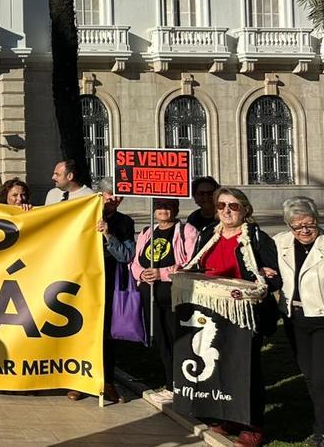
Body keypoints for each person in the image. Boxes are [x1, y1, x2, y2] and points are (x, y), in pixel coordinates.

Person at [185, 187, 281, 447]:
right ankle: (224, 416)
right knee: (216, 367)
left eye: (233, 206)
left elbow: (273, 281)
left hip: (244, 315)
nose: (226, 210)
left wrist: (258, 276)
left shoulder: (257, 238)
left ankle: (252, 425)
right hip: (211, 312)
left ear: (245, 209)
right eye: (221, 205)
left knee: (245, 370)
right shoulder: (207, 234)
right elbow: (195, 266)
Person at [68, 192, 134, 404]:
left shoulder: (125, 222)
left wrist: (108, 235)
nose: (112, 200)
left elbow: (126, 255)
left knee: (108, 334)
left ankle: (107, 382)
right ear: (99, 196)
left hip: (110, 283)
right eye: (108, 196)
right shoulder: (82, 215)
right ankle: (78, 381)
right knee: (81, 329)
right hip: (83, 283)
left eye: (117, 197)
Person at [130, 197, 199, 400]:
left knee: (177, 339)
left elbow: (190, 262)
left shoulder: (187, 231)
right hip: (150, 297)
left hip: (174, 297)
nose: (163, 210)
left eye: (168, 206)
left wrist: (161, 274)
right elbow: (135, 262)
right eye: (159, 206)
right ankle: (171, 384)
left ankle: (183, 385)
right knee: (161, 340)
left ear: (176, 209)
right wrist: (141, 274)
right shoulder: (146, 232)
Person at [275, 197, 324, 446]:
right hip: (295, 319)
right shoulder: (280, 242)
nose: (304, 230)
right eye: (297, 226)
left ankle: (321, 429)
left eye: (310, 224)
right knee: (308, 374)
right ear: (288, 226)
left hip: (322, 319)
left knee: (320, 377)